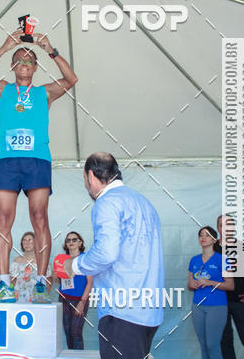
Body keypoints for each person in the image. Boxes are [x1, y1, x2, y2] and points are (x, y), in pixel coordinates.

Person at [0, 29, 78, 303]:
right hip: (6, 161)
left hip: (37, 160)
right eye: (19, 59)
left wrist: (50, 50)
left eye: (30, 60)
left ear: (36, 67)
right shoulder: (2, 90)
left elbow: (71, 79)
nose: (25, 63)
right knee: (2, 220)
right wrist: (5, 47)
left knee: (39, 218)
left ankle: (41, 282)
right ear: (12, 65)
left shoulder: (45, 93)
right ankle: (4, 284)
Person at [63, 152, 164, 359]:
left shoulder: (106, 202)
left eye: (84, 179)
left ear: (91, 176)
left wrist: (74, 265)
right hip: (150, 310)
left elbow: (105, 254)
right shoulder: (144, 203)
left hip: (122, 312)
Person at [214, 215, 244, 359]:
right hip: (219, 303)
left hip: (239, 301)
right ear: (218, 228)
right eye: (222, 225)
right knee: (225, 342)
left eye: (229, 224)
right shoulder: (212, 248)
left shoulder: (243, 247)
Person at [189, 226, 235, 359]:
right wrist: (193, 284)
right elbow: (189, 284)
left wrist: (211, 283)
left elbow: (231, 285)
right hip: (198, 305)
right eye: (201, 235)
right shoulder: (194, 260)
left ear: (214, 240)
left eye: (207, 235)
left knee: (212, 345)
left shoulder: (223, 259)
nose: (203, 237)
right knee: (203, 346)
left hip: (217, 306)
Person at [57, 231, 93, 350]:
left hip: (79, 300)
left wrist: (82, 303)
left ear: (80, 242)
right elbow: (61, 281)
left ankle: (78, 356)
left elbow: (90, 282)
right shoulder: (62, 259)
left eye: (74, 239)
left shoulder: (85, 259)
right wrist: (56, 276)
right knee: (68, 332)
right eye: (68, 240)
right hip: (64, 298)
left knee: (76, 333)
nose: (71, 242)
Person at [11, 231, 53, 303]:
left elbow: (49, 281)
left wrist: (43, 296)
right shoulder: (16, 261)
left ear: (36, 243)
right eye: (24, 240)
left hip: (37, 298)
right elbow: (12, 280)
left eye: (30, 240)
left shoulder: (42, 261)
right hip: (19, 298)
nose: (27, 243)